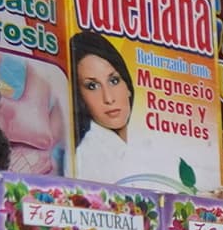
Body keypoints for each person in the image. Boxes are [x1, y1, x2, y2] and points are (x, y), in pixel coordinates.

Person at [66, 32, 187, 188]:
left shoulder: (148, 144)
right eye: (92, 86)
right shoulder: (88, 157)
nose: (108, 98)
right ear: (81, 98)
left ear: (128, 86)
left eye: (114, 80)